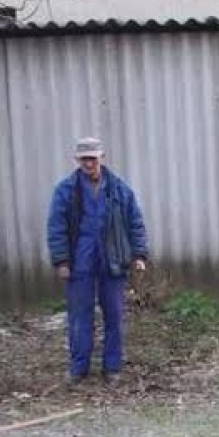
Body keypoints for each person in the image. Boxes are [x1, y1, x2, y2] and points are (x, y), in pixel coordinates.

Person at [46, 137, 149, 386]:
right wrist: (61, 260)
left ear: (102, 158)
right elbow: (56, 227)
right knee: (79, 317)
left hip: (112, 262)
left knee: (114, 315)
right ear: (77, 161)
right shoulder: (65, 190)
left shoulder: (119, 189)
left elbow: (135, 222)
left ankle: (112, 367)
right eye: (84, 159)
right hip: (79, 263)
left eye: (93, 158)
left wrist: (139, 254)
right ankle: (78, 368)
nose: (89, 163)